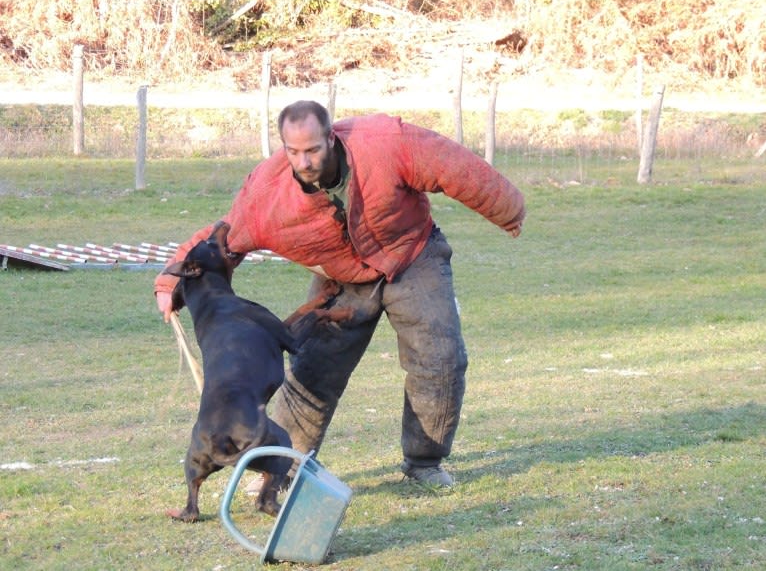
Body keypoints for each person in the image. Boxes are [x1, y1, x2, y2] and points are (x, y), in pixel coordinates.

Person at [155, 100, 525, 487]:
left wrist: (508, 209)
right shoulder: (266, 196)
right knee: (313, 371)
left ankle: (424, 462)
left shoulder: (383, 143)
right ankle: (277, 467)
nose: (304, 161)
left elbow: (450, 163)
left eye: (313, 149)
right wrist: (169, 284)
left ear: (331, 138)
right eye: (293, 152)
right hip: (341, 279)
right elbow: (217, 242)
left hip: (413, 255)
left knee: (440, 357)